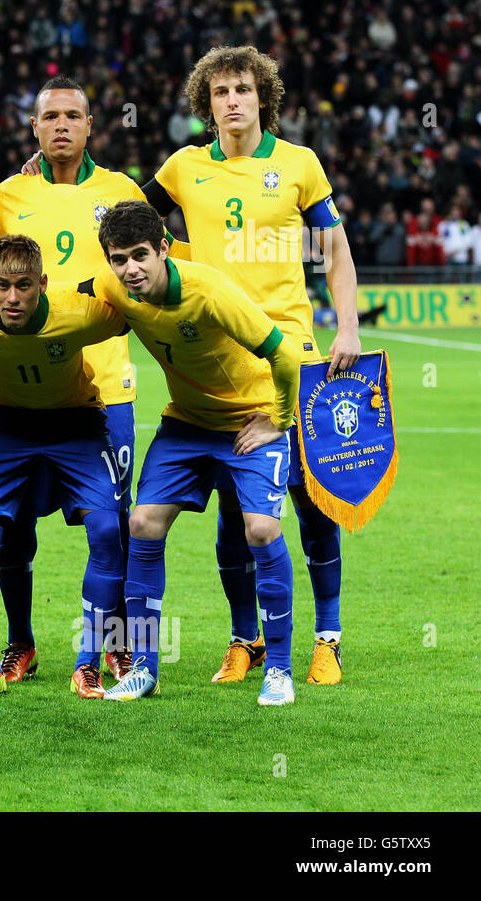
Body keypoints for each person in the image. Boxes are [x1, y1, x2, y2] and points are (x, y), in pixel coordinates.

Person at [142, 46, 360, 685]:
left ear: (263, 95)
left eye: (242, 89)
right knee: (237, 516)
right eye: (219, 92)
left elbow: (335, 254)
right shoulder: (184, 167)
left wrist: (346, 325)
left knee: (314, 505)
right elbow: (122, 218)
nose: (232, 100)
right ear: (204, 104)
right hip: (217, 371)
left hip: (293, 360)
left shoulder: (299, 165)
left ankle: (328, 637)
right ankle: (246, 640)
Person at [93, 201, 301, 707]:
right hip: (185, 424)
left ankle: (279, 669)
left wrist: (279, 419)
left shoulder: (208, 291)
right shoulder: (113, 287)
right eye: (119, 259)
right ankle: (143, 668)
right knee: (142, 523)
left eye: (140, 255)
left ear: (164, 248)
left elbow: (285, 353)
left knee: (261, 530)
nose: (130, 270)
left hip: (249, 420)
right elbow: (69, 297)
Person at [0, 76, 143, 686]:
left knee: (114, 527)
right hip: (19, 389)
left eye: (73, 115)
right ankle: (20, 643)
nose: (62, 126)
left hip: (104, 389)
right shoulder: (5, 198)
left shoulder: (122, 191)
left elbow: (148, 268)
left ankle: (117, 646)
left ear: (90, 126)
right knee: (13, 527)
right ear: (34, 127)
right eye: (50, 116)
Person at [0, 235, 128, 698]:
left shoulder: (80, 313)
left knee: (108, 529)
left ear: (43, 284)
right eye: (1, 285)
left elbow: (138, 307)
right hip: (2, 425)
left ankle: (87, 663)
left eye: (24, 286)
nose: (11, 298)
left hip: (75, 423)